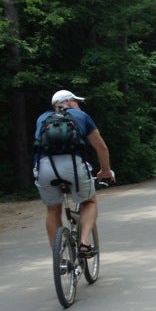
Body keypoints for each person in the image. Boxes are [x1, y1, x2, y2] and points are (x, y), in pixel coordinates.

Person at [34, 89, 114, 255]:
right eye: (76, 102)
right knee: (89, 202)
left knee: (52, 210)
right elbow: (101, 147)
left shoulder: (42, 118)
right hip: (73, 168)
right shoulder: (81, 116)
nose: (78, 105)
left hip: (45, 168)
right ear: (69, 102)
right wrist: (105, 170)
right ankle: (84, 243)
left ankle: (59, 257)